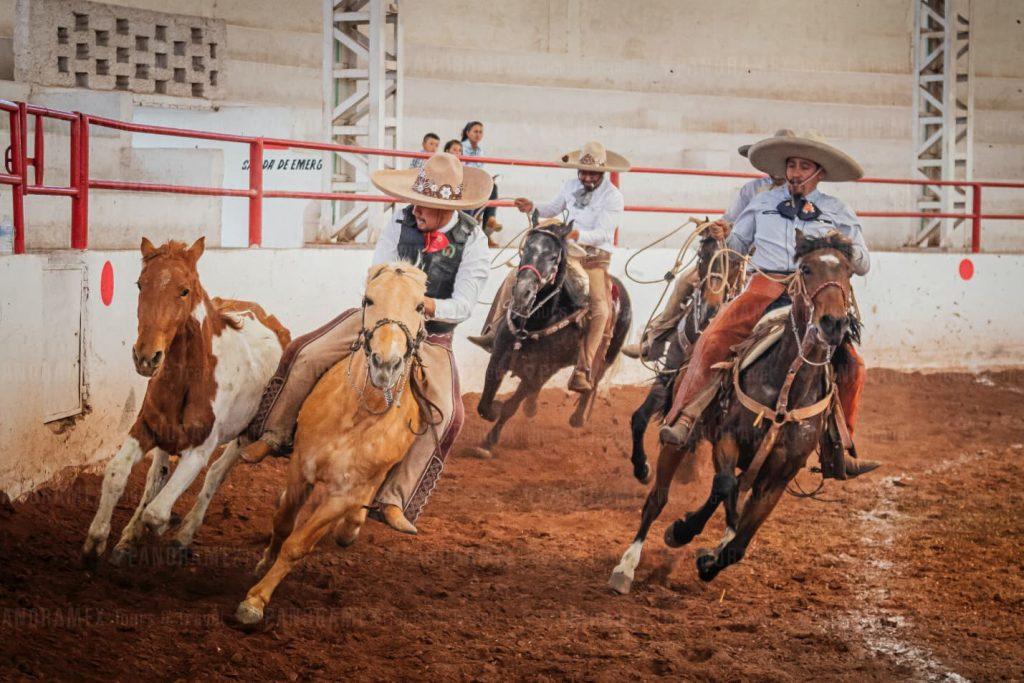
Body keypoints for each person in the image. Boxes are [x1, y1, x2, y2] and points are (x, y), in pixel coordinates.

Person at [241, 153, 493, 533]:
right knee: (306, 354)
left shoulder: (473, 238)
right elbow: (376, 272)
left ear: (445, 209)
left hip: (431, 333)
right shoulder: (399, 219)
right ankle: (275, 433)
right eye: (417, 201)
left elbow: (465, 304)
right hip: (381, 320)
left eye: (426, 205)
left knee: (449, 415)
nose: (417, 209)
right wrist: (392, 302)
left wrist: (424, 304)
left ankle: (393, 498)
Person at [657, 130, 877, 479]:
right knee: (712, 339)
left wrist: (844, 244)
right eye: (791, 165)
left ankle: (840, 448)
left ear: (818, 172)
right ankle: (683, 418)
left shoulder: (838, 211)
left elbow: (863, 264)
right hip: (764, 286)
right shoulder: (760, 202)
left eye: (803, 166)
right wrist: (721, 237)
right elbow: (737, 247)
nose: (794, 173)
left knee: (853, 366)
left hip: (819, 291)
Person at [469, 140, 630, 393]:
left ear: (602, 173)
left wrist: (578, 235)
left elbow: (604, 232)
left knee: (600, 306)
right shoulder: (571, 185)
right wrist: (533, 207)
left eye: (591, 173)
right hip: (566, 247)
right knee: (517, 274)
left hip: (594, 257)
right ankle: (494, 329)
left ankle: (583, 368)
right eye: (583, 172)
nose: (586, 177)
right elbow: (553, 208)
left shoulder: (614, 196)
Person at [621, 130, 794, 361]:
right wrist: (721, 229)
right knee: (686, 281)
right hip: (734, 252)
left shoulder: (800, 196)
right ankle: (655, 337)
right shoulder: (750, 190)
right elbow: (730, 219)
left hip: (768, 263)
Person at [460, 121, 502, 241]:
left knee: (492, 186)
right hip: (466, 182)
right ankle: (488, 224)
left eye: (480, 132)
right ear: (468, 133)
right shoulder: (461, 147)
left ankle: (489, 224)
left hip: (478, 181)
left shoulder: (480, 150)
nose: (478, 134)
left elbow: (481, 168)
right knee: (487, 191)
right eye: (475, 131)